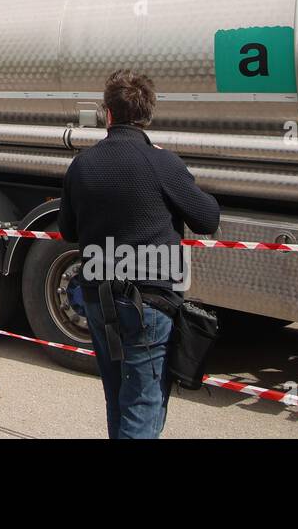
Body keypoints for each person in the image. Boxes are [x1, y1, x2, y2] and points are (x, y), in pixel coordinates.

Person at [58, 70, 220, 439]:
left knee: (118, 397)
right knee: (143, 406)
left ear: (108, 113)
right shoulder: (162, 163)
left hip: (99, 296)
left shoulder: (82, 164)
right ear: (147, 115)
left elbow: (67, 230)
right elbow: (208, 218)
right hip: (149, 300)